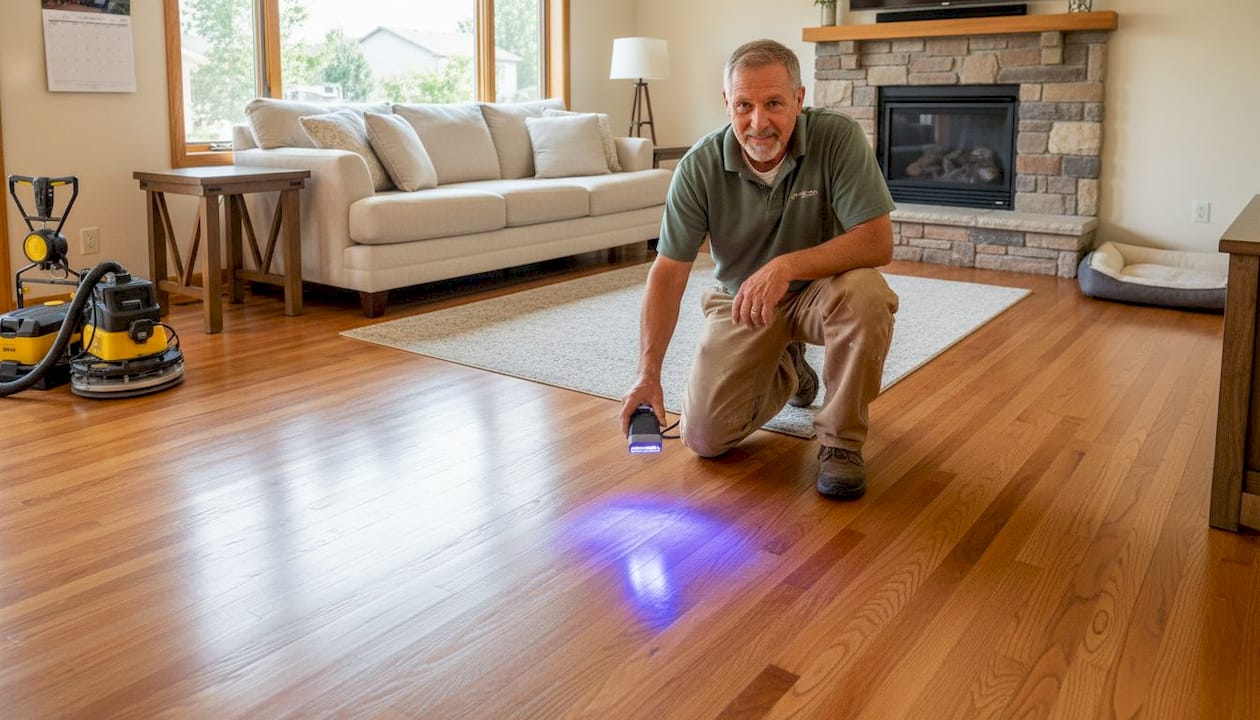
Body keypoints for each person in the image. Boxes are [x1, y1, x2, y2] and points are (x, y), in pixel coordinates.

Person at [618, 38, 899, 500]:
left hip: (823, 291)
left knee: (868, 293)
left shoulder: (837, 138)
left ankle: (841, 442)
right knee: (704, 437)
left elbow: (876, 241)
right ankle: (789, 369)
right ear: (727, 102)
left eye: (774, 104)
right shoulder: (698, 167)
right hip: (742, 300)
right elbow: (668, 272)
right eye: (744, 105)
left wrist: (785, 266)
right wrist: (647, 374)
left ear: (799, 100)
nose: (758, 122)